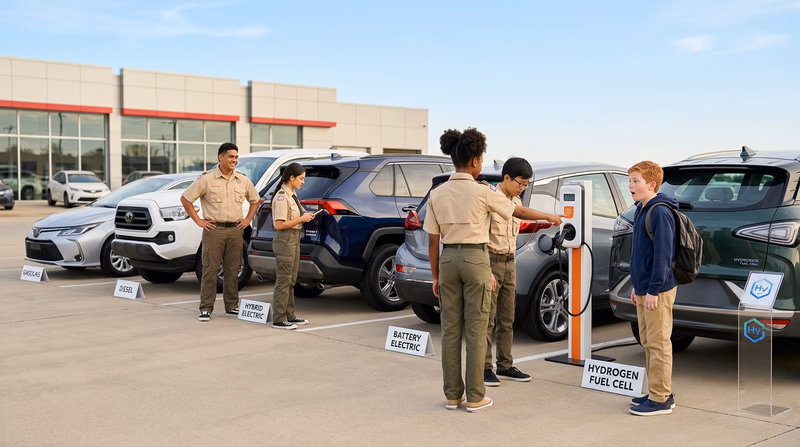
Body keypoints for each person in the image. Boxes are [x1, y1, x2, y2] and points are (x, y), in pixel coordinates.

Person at [424, 128, 562, 413]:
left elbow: (432, 239)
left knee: (450, 331)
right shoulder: (481, 192)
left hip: (448, 259)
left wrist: (436, 275)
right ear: (474, 161)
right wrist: (549, 216)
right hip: (476, 259)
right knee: (476, 329)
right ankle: (475, 397)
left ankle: (452, 396)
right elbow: (518, 212)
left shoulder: (438, 194)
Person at [483, 157, 563, 387]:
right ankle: (485, 368)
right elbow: (522, 212)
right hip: (490, 260)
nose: (522, 188)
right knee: (487, 318)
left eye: (527, 184)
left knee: (507, 318)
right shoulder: (492, 197)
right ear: (506, 178)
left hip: (509, 261)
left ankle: (505, 365)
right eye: (520, 183)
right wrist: (548, 216)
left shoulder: (515, 198)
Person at [180, 142, 260, 322]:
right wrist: (199, 220)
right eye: (231, 157)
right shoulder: (207, 179)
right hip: (214, 230)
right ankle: (206, 308)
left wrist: (248, 219)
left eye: (236, 157)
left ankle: (232, 306)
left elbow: (255, 200)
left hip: (235, 230)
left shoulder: (242, 179)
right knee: (210, 269)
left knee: (233, 270)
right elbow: (185, 199)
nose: (234, 160)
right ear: (221, 157)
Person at [627, 160, 679, 416]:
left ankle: (661, 400)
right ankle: (658, 390)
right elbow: (639, 254)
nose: (630, 185)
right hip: (644, 287)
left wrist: (653, 290)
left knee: (658, 343)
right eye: (630, 180)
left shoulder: (659, 211)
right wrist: (637, 287)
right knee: (648, 341)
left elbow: (663, 255)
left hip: (657, 289)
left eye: (636, 181)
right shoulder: (642, 209)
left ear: (652, 184)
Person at [269, 163, 315, 330]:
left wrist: (304, 217)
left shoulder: (292, 194)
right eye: (301, 178)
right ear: (292, 177)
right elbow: (279, 225)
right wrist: (301, 219)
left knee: (291, 279)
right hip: (285, 239)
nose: (303, 182)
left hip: (294, 238)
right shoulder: (282, 196)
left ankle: (290, 315)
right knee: (284, 279)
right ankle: (279, 319)